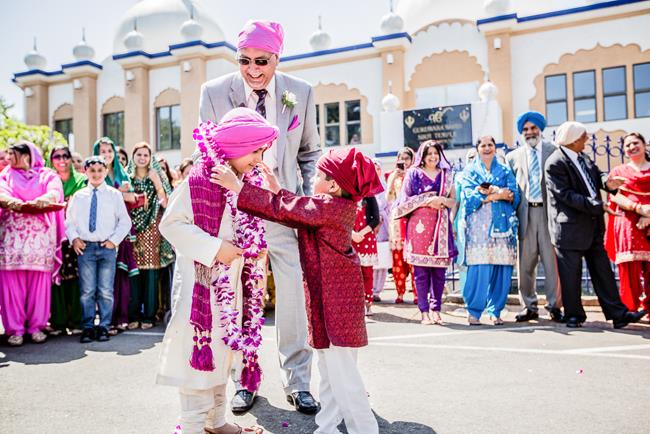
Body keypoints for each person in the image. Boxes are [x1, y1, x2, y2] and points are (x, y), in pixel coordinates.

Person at [213, 146, 382, 434]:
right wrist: (278, 189)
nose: (313, 176)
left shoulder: (328, 208)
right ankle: (325, 428)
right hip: (333, 303)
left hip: (335, 305)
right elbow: (299, 209)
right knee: (330, 375)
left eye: (318, 173)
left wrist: (238, 187)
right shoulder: (333, 205)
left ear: (332, 185)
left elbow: (288, 210)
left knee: (345, 379)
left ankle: (365, 430)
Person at [198, 19, 321, 414]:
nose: (253, 69)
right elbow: (207, 152)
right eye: (245, 60)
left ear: (277, 58)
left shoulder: (300, 93)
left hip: (282, 209)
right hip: (235, 211)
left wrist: (301, 200)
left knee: (291, 296)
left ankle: (298, 380)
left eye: (262, 61)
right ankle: (243, 380)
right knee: (237, 295)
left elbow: (309, 152)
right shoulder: (214, 92)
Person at [157, 108, 271, 434]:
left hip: (231, 290)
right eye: (255, 150)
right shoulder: (198, 181)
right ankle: (193, 426)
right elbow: (171, 225)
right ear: (235, 148)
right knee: (200, 363)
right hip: (202, 291)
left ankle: (216, 422)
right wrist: (214, 249)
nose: (260, 158)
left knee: (224, 357)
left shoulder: (242, 185)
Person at [545, 122, 646, 328]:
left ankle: (619, 315)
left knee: (603, 272)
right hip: (570, 229)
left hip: (592, 226)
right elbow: (566, 196)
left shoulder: (583, 156)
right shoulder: (554, 163)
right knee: (570, 276)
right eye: (583, 136)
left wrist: (607, 183)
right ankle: (574, 316)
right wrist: (598, 206)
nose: (587, 140)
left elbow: (596, 174)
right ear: (573, 140)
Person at [0, 141, 65, 346]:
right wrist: (15, 204)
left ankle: (36, 326)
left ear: (27, 156)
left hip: (39, 242)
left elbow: (55, 192)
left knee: (39, 285)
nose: (9, 158)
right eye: (8, 154)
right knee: (12, 286)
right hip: (12, 243)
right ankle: (15, 330)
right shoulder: (4, 176)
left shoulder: (47, 175)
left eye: (13, 154)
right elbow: (2, 194)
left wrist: (42, 201)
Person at [65, 156, 132, 343]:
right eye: (92, 171)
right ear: (85, 172)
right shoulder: (79, 197)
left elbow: (125, 221)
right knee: (87, 290)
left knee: (105, 290)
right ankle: (87, 326)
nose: (96, 174)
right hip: (85, 248)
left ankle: (104, 325)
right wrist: (75, 239)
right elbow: (69, 222)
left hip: (106, 248)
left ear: (105, 171)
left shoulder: (114, 195)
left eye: (99, 171)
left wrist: (114, 241)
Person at [506, 111, 563, 322]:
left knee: (552, 264)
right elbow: (510, 186)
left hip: (548, 213)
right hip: (525, 214)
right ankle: (528, 306)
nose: (530, 132)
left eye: (533, 128)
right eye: (526, 129)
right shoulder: (513, 157)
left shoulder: (553, 151)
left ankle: (555, 306)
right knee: (525, 264)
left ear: (540, 129)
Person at [394, 141, 457, 325]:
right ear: (422, 155)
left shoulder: (446, 175)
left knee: (439, 273)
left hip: (440, 228)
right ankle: (424, 312)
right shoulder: (414, 173)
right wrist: (428, 199)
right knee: (421, 273)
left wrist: (442, 201)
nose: (432, 157)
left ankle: (436, 310)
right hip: (419, 228)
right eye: (428, 153)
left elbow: (453, 201)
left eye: (435, 153)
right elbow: (404, 203)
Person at [460, 136, 519, 326]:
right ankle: (474, 311)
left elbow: (513, 195)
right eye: (483, 145)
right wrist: (497, 195)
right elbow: (469, 199)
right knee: (479, 268)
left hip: (503, 226)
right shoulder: (469, 171)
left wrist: (493, 195)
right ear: (477, 148)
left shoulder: (504, 170)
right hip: (478, 227)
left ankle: (496, 311)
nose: (486, 148)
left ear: (495, 148)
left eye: (490, 145)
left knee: (501, 268)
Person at [93, 138, 140, 332]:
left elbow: (132, 198)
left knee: (121, 275)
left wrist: (124, 195)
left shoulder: (122, 175)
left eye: (109, 151)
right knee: (104, 278)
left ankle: (121, 317)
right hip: (99, 232)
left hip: (120, 232)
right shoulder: (94, 174)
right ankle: (107, 319)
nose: (107, 154)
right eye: (102, 151)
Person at [127, 142, 175, 329]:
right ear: (133, 157)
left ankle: (148, 316)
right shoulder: (127, 178)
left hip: (152, 229)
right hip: (131, 231)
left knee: (151, 273)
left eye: (146, 155)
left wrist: (157, 185)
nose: (142, 158)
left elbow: (167, 204)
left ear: (150, 158)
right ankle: (133, 315)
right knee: (133, 272)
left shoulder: (157, 176)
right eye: (138, 154)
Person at [605, 133, 650, 318]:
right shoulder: (618, 172)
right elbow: (614, 195)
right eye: (628, 145)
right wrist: (638, 208)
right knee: (628, 269)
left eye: (635, 143)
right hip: (627, 221)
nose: (632, 147)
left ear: (644, 144)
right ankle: (629, 309)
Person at [49, 145, 86, 335]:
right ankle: (58, 321)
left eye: (65, 155)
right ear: (51, 160)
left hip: (75, 236)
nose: (62, 159)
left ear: (71, 159)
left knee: (75, 277)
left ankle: (76, 321)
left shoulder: (81, 180)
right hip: (52, 236)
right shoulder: (49, 181)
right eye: (57, 156)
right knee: (56, 277)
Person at [386, 147, 417, 304]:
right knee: (398, 259)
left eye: (407, 158)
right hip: (397, 222)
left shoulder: (416, 174)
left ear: (412, 160)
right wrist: (393, 180)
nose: (404, 161)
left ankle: (417, 293)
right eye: (401, 158)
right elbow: (388, 198)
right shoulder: (393, 176)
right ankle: (400, 293)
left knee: (413, 259)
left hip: (412, 219)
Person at [352, 195, 380, 316]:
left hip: (367, 238)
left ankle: (368, 304)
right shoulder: (347, 194)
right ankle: (355, 304)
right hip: (350, 237)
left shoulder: (370, 197)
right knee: (352, 273)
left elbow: (376, 219)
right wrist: (353, 233)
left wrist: (361, 233)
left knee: (367, 274)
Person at [371, 159, 391, 302]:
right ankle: (370, 289)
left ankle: (378, 290)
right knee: (371, 258)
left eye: (378, 168)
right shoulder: (366, 186)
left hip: (384, 225)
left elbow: (389, 205)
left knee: (382, 258)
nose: (376, 171)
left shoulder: (385, 186)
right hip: (370, 225)